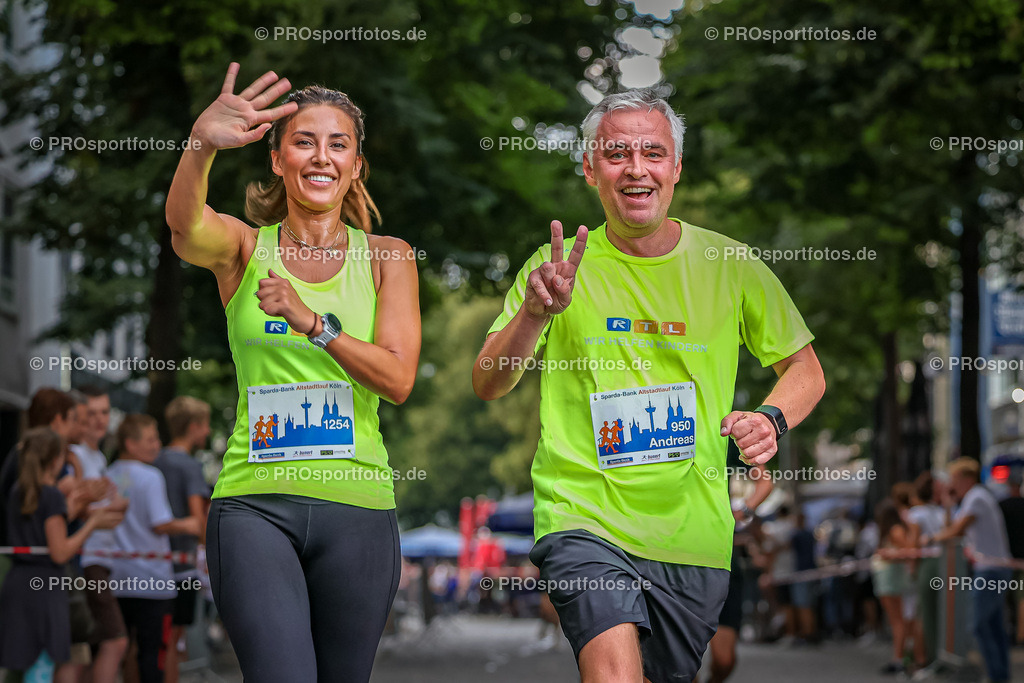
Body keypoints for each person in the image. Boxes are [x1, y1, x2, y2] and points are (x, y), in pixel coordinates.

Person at [473, 88, 825, 683]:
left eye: (652, 152)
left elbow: (805, 369)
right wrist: (534, 314)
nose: (636, 167)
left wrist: (768, 420)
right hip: (583, 519)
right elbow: (488, 382)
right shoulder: (556, 267)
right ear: (590, 168)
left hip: (692, 533)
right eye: (616, 153)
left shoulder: (731, 264)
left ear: (676, 167)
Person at [165, 63, 421, 683]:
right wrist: (200, 144)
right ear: (277, 159)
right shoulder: (245, 249)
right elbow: (183, 226)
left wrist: (315, 324)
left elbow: (396, 378)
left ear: (356, 166)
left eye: (339, 144)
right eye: (304, 141)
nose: (321, 157)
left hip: (357, 507)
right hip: (255, 505)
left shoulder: (388, 258)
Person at [83, 414, 202, 683]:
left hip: (117, 578)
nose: (156, 445)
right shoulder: (150, 476)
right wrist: (191, 524)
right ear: (130, 443)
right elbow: (160, 524)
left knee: (121, 652)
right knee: (152, 656)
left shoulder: (107, 473)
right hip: (153, 582)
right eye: (150, 439)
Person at [0, 428, 122, 682]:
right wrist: (92, 523)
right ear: (56, 460)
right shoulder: (51, 495)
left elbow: (45, 530)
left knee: (23, 662)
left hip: (19, 583)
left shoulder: (18, 492)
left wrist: (77, 499)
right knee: (41, 666)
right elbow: (60, 551)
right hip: (44, 588)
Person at [931, 458, 1013, 683]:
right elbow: (953, 528)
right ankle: (1000, 674)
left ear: (965, 478)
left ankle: (996, 675)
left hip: (990, 570)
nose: (951, 483)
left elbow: (953, 532)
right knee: (993, 625)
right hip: (993, 569)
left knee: (978, 624)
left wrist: (929, 538)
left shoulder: (976, 498)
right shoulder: (975, 497)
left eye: (954, 479)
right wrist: (948, 504)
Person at [153, 396, 213, 683]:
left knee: (152, 642)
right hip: (184, 566)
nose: (209, 432)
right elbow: (197, 517)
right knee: (175, 642)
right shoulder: (190, 466)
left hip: (153, 562)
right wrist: (211, 554)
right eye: (206, 425)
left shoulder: (156, 460)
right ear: (193, 426)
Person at [707, 445, 773, 683]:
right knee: (679, 666)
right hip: (668, 557)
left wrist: (742, 510)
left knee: (725, 661)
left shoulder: (724, 428)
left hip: (721, 560)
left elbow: (764, 482)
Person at [907, 471, 945, 668]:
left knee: (925, 613)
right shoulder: (938, 512)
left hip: (929, 564)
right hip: (941, 563)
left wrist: (911, 569)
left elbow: (914, 545)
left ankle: (925, 657)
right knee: (935, 612)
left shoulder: (917, 513)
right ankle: (932, 655)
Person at [999, 472, 1024, 645]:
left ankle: (1008, 631)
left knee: (1005, 598)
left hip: (1004, 558)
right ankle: (1021, 635)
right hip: (1022, 558)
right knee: (1021, 598)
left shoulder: (1001, 506)